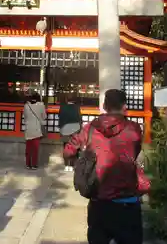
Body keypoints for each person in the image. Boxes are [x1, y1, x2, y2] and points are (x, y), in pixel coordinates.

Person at [63, 89, 143, 244]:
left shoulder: (90, 128)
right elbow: (135, 150)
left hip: (99, 201)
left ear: (105, 106)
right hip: (128, 202)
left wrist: (81, 161)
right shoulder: (134, 129)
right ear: (124, 106)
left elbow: (68, 152)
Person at [58, 93, 82, 172]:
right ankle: (72, 165)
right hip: (75, 129)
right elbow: (79, 119)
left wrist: (60, 129)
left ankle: (66, 165)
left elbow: (60, 117)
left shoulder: (62, 107)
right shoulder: (77, 107)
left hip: (65, 129)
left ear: (66, 100)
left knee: (65, 147)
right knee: (74, 147)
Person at [23, 92, 46, 170]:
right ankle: (34, 164)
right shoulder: (41, 105)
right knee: (35, 148)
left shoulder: (26, 106)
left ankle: (28, 164)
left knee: (28, 148)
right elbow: (44, 116)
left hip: (28, 129)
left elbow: (25, 117)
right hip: (37, 128)